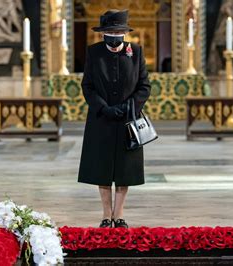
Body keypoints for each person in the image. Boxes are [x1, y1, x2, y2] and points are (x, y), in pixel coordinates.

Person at [77, 9, 151, 228]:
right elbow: (87, 86)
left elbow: (144, 86)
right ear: (103, 34)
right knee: (102, 169)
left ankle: (119, 215)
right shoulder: (94, 52)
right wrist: (104, 108)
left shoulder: (136, 52)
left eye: (118, 31)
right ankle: (105, 215)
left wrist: (130, 106)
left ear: (124, 33)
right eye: (110, 31)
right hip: (102, 120)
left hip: (128, 120)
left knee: (124, 170)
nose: (114, 34)